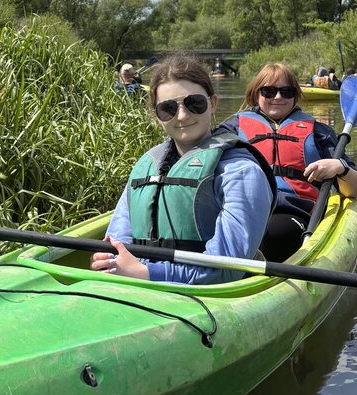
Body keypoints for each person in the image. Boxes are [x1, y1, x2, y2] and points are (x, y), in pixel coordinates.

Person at [91, 55, 275, 285]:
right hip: (138, 286)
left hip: (209, 295)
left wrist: (147, 274)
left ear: (213, 103)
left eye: (194, 103)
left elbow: (227, 268)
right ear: (157, 115)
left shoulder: (241, 172)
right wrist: (111, 264)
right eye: (168, 108)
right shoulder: (145, 165)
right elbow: (117, 245)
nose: (183, 115)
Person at [228, 62, 357, 260]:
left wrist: (340, 168)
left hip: (293, 212)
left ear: (295, 95)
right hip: (241, 210)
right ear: (255, 94)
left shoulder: (319, 132)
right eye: (269, 91)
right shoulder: (232, 129)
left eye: (286, 92)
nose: (278, 97)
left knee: (272, 234)